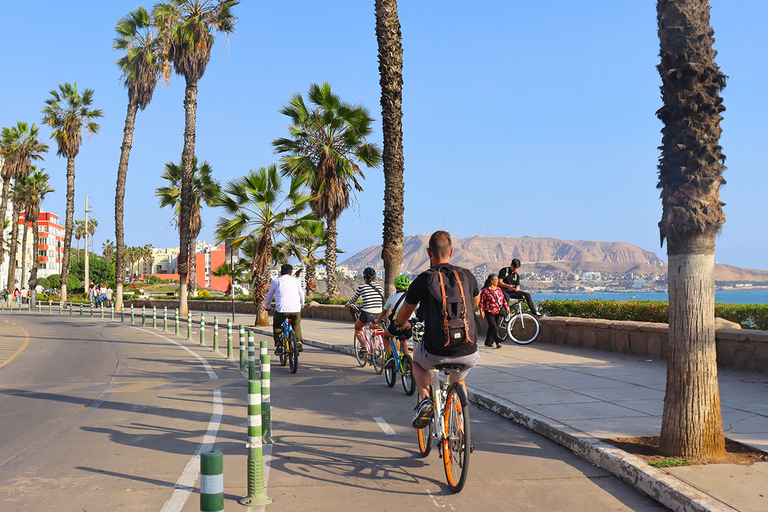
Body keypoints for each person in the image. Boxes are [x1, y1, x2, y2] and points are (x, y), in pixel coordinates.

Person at [393, 230, 481, 429]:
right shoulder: (466, 274)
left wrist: (398, 324)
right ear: (451, 253)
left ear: (428, 252)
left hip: (435, 352)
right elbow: (475, 301)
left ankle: (425, 400)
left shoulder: (423, 279)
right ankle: (460, 428)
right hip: (468, 351)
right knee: (459, 381)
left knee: (417, 361)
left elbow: (405, 313)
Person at [265, 263, 305, 354]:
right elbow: (301, 294)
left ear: (281, 272)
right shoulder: (296, 281)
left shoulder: (276, 281)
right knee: (296, 323)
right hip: (295, 309)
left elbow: (269, 295)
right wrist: (302, 305)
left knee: (277, 325)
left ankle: (279, 346)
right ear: (291, 273)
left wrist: (267, 307)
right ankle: (298, 340)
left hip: (281, 309)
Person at [376, 274, 415, 357]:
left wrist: (377, 321)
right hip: (409, 326)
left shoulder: (392, 298)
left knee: (385, 336)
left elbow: (384, 312)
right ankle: (407, 361)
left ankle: (390, 357)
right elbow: (416, 311)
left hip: (396, 325)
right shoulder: (412, 297)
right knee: (403, 340)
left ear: (396, 286)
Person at [345, 267, 384, 346]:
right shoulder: (380, 287)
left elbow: (354, 299)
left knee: (357, 328)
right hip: (379, 313)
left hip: (367, 314)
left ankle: (364, 346)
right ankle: (376, 350)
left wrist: (348, 304)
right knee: (375, 329)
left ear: (365, 278)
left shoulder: (362, 287)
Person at [479, 274, 509, 348]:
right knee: (493, 327)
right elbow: (481, 302)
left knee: (493, 327)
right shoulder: (485, 290)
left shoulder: (498, 289)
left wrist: (506, 307)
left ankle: (488, 342)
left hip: (498, 311)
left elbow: (503, 299)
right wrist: (481, 311)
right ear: (492, 281)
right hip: (489, 311)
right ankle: (498, 342)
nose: (497, 281)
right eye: (496, 280)